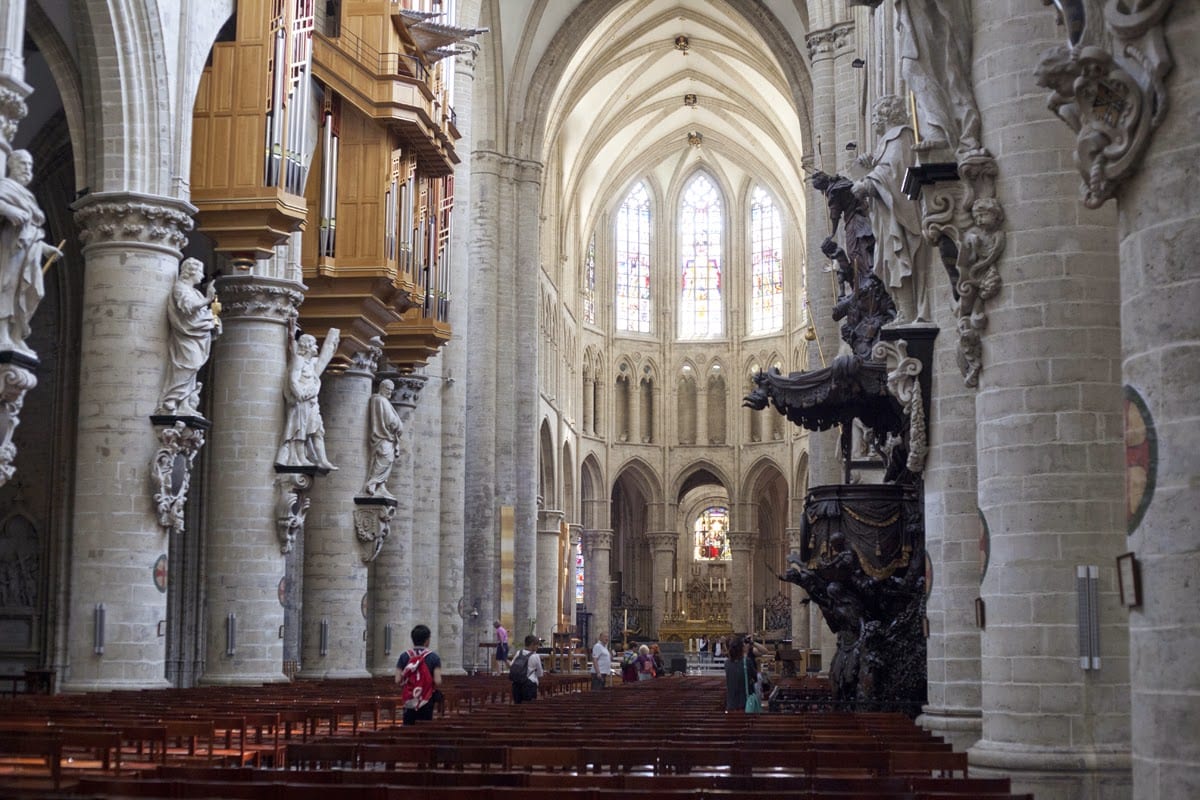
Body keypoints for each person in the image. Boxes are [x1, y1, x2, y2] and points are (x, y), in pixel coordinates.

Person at [853, 95, 933, 324]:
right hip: (888, 218)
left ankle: (907, 313)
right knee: (889, 263)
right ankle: (903, 311)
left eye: (876, 116)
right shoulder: (888, 142)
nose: (873, 121)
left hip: (901, 217)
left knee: (898, 261)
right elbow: (886, 169)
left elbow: (896, 172)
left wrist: (868, 182)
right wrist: (871, 168)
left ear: (887, 115)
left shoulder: (901, 136)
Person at [0, 150, 60, 356]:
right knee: (7, 287)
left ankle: (17, 334)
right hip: (8, 248)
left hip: (29, 252)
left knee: (32, 291)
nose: (27, 169)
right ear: (11, 165)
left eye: (30, 165)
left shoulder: (28, 196)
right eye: (23, 164)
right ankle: (2, 334)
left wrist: (46, 249)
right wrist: (9, 210)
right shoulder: (5, 187)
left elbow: (31, 232)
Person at [156, 257, 221, 416]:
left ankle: (184, 403)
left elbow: (202, 313)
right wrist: (208, 299)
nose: (202, 275)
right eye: (200, 271)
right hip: (186, 334)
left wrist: (214, 318)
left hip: (196, 335)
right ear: (191, 271)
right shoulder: (180, 288)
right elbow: (188, 307)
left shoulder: (196, 292)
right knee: (189, 364)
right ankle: (171, 398)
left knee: (194, 367)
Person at [276, 322, 340, 470]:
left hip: (312, 402)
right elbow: (292, 379)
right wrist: (299, 395)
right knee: (300, 430)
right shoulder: (299, 360)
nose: (317, 347)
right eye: (315, 344)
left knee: (318, 430)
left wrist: (333, 340)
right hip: (302, 402)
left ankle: (322, 460)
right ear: (307, 346)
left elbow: (327, 354)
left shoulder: (312, 363)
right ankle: (300, 457)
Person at [361, 379, 404, 497]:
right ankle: (372, 483)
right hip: (382, 436)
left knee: (387, 460)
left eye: (391, 390)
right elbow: (390, 420)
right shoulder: (380, 400)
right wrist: (398, 426)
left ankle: (381, 486)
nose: (390, 392)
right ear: (382, 388)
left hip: (387, 437)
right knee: (384, 459)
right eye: (388, 389)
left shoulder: (384, 401)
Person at [395, 623, 442, 725]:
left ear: (413, 639)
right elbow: (437, 681)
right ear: (427, 640)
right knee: (424, 728)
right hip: (426, 699)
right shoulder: (434, 657)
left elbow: (397, 680)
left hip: (409, 698)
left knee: (408, 727)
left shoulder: (404, 656)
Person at [510, 634, 544, 703]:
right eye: (537, 645)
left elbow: (512, 666)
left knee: (517, 706)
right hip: (529, 684)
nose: (538, 647)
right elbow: (540, 674)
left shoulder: (518, 653)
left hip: (516, 683)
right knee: (529, 707)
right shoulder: (535, 656)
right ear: (532, 645)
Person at [723, 638, 747, 712]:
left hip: (731, 702)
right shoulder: (746, 662)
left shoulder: (727, 663)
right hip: (744, 701)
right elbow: (754, 678)